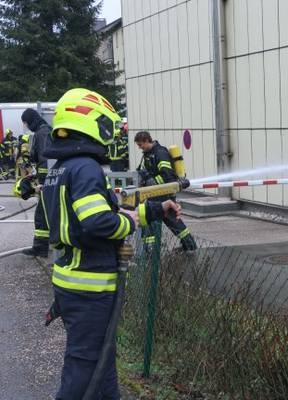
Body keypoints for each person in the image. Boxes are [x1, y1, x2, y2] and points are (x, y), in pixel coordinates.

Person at [42, 88, 182, 399]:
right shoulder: (86, 167)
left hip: (75, 282)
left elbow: (103, 213)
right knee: (85, 365)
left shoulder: (62, 167)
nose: (113, 134)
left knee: (102, 361)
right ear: (90, 122)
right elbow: (98, 222)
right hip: (90, 286)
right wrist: (129, 224)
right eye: (109, 126)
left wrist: (156, 209)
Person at [134, 131, 197, 251]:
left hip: (164, 195)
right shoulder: (148, 154)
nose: (139, 147)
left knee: (173, 222)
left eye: (140, 144)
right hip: (154, 195)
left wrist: (151, 182)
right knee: (150, 221)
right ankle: (150, 251)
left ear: (147, 141)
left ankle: (190, 246)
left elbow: (168, 176)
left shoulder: (160, 153)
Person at [20, 108, 52, 257]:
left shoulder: (42, 133)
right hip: (47, 180)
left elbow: (46, 160)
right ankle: (44, 246)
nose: (26, 126)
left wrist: (43, 182)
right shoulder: (42, 131)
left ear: (31, 120)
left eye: (26, 123)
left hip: (47, 182)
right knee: (44, 214)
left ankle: (41, 248)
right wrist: (34, 175)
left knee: (41, 215)